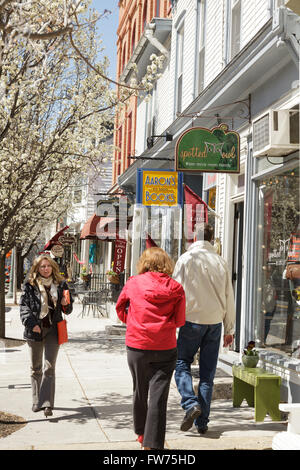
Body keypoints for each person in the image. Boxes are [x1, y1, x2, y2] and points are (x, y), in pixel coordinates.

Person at [116, 247, 186, 450]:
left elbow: (120, 307)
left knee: (140, 390)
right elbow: (180, 320)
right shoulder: (176, 288)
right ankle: (153, 444)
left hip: (137, 345)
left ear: (144, 263)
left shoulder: (133, 283)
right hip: (165, 346)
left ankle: (141, 433)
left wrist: (132, 321)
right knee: (158, 397)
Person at [173, 223, 235, 434]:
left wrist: (172, 322)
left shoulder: (186, 259)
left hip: (191, 319)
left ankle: (191, 404)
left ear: (194, 238)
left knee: (182, 363)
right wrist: (229, 328)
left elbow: (175, 291)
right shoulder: (221, 262)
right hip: (214, 322)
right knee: (208, 374)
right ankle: (202, 423)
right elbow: (230, 296)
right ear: (211, 239)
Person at [20, 255, 73, 417]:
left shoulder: (61, 284)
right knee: (36, 368)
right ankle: (37, 401)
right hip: (35, 329)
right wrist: (31, 324)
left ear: (53, 268)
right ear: (37, 268)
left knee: (49, 367)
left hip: (53, 329)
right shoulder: (29, 285)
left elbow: (68, 310)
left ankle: (47, 404)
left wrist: (66, 304)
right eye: (42, 266)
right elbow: (24, 307)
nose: (45, 269)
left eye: (48, 266)